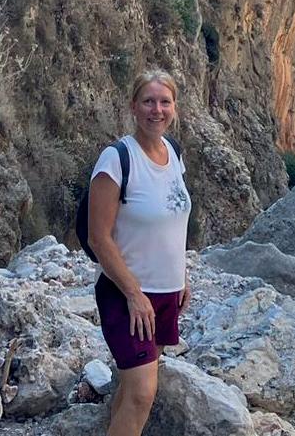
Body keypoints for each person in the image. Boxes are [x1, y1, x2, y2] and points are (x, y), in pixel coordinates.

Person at [88, 70, 192, 436]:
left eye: (165, 102)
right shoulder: (116, 159)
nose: (156, 110)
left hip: (166, 294)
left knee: (133, 390)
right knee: (143, 393)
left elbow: (173, 221)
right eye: (148, 101)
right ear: (134, 107)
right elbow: (98, 238)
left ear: (174, 107)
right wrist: (134, 294)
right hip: (126, 294)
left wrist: (182, 276)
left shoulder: (174, 153)